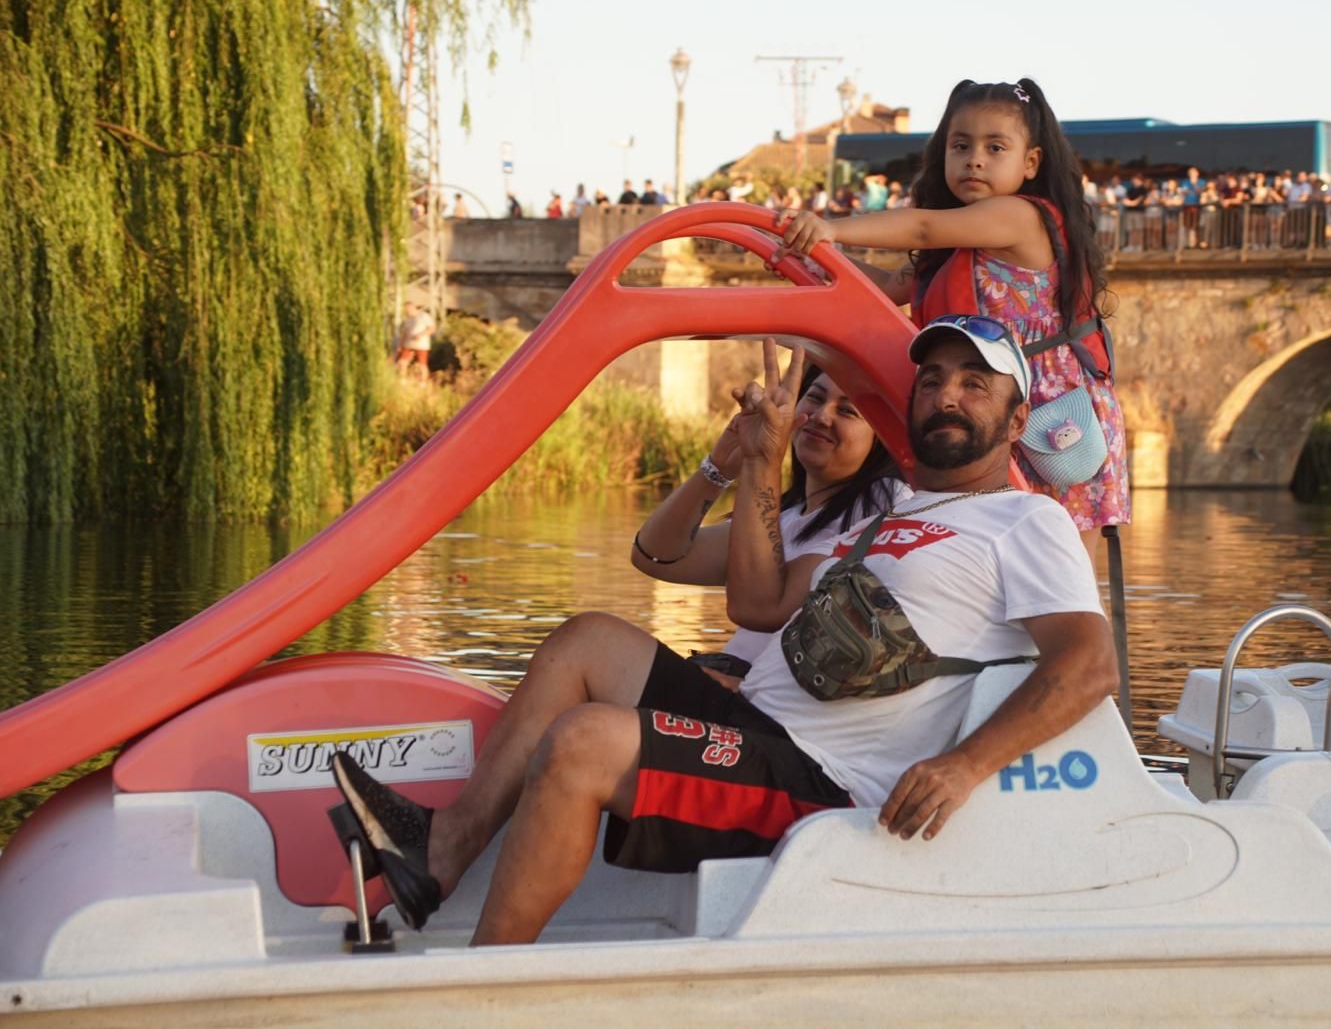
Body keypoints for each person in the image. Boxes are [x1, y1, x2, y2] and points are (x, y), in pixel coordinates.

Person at [330, 330, 1115, 945]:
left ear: (1015, 421)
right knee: (585, 640)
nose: (947, 394)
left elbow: (1090, 665)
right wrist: (758, 460)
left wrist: (962, 765)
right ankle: (445, 851)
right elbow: (760, 596)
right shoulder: (892, 519)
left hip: (822, 775)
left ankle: (485, 993)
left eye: (974, 383)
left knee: (583, 744)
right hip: (762, 728)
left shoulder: (1026, 519)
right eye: (935, 379)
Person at [773, 78, 1128, 540]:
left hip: (1045, 410)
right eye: (960, 145)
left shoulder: (1021, 217)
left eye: (995, 147)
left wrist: (831, 228)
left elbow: (921, 228)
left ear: (1030, 162)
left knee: (1056, 542)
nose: (974, 158)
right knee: (989, 538)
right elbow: (884, 286)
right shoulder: (959, 243)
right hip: (986, 406)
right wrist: (811, 256)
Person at [632, 366, 909, 684]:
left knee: (592, 640)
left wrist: (761, 462)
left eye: (847, 410)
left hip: (760, 709)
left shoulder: (885, 503)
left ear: (883, 437)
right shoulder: (789, 516)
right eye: (815, 397)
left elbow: (762, 608)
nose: (821, 415)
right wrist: (720, 466)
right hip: (726, 684)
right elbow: (655, 556)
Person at [394, 302, 436, 380]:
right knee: (402, 362)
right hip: (408, 344)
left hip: (421, 345)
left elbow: (432, 329)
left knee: (422, 365)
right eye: (406, 310)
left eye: (408, 309)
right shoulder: (408, 319)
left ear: (413, 308)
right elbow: (404, 333)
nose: (407, 312)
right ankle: (403, 380)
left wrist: (421, 335)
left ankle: (423, 383)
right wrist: (400, 345)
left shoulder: (424, 316)